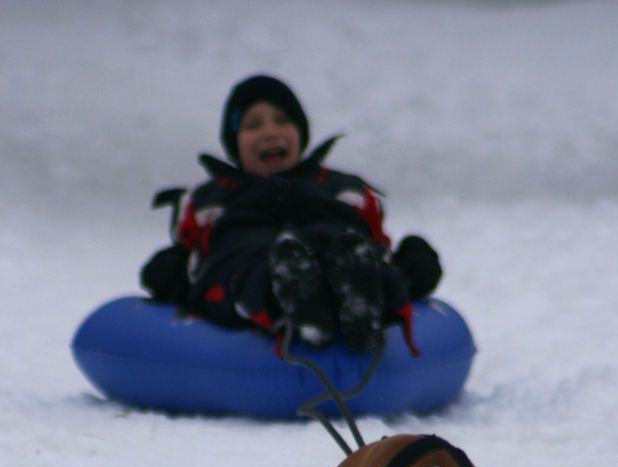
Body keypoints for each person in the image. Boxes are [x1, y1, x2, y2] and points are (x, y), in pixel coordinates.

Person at [140, 74, 442, 353]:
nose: (270, 133)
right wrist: (171, 266)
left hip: (336, 249)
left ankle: (360, 301)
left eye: (282, 120)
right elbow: (193, 254)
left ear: (300, 131)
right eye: (252, 125)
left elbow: (379, 241)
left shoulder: (340, 188)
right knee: (255, 265)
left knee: (347, 246)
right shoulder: (212, 199)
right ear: (235, 143)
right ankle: (294, 296)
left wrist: (413, 263)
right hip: (248, 264)